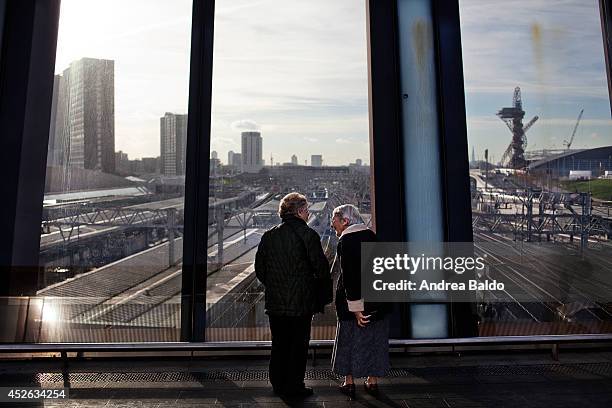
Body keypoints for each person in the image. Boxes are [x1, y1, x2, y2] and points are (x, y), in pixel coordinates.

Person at [255, 192, 331, 398]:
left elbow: (259, 269)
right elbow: (321, 269)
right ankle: (295, 386)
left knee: (279, 343)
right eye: (306, 210)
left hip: (276, 303)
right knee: (298, 345)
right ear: (299, 212)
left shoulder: (269, 235)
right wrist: (317, 292)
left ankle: (278, 384)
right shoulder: (308, 235)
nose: (308, 214)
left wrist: (275, 286)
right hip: (301, 304)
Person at [330, 204, 390, 399]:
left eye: (335, 220)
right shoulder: (372, 236)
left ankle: (349, 382)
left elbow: (350, 278)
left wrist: (356, 308)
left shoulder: (346, 241)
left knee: (349, 341)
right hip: (377, 302)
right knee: (374, 341)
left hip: (354, 304)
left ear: (345, 221)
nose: (333, 224)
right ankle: (372, 381)